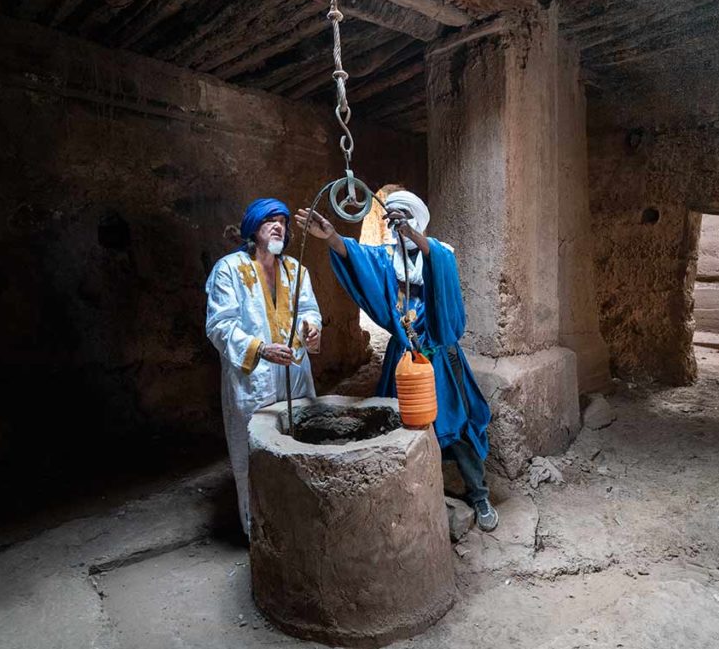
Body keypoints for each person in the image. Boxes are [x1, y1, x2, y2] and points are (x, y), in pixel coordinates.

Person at [295, 187, 499, 531]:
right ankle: (410, 499)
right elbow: (356, 257)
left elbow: (445, 287)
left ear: (417, 221)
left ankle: (479, 495)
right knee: (399, 425)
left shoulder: (438, 254)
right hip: (402, 359)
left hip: (441, 361)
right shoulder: (386, 259)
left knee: (456, 426)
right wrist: (331, 237)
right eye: (393, 219)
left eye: (403, 218)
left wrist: (413, 236)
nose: (396, 225)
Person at [205, 198, 322, 535]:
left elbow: (310, 309)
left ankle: (300, 526)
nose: (278, 227)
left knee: (300, 449)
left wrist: (312, 326)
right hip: (253, 381)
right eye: (270, 220)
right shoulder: (228, 270)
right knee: (254, 458)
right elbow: (220, 326)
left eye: (283, 222)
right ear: (253, 229)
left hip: (294, 378)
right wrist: (259, 349)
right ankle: (261, 534)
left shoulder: (297, 271)